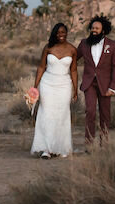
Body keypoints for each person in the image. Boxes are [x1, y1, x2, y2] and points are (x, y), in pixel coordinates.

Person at [29, 22, 78, 158]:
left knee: (62, 114)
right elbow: (41, 67)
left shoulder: (72, 50)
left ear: (67, 33)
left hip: (64, 85)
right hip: (47, 83)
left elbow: (73, 70)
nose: (61, 35)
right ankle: (46, 149)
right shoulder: (48, 48)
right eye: (58, 33)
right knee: (47, 114)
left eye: (63, 32)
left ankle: (60, 147)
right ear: (54, 34)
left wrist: (75, 90)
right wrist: (35, 86)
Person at [76, 15, 115, 146]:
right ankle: (89, 143)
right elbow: (74, 58)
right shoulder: (84, 43)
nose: (94, 30)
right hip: (89, 83)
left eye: (97, 28)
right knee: (90, 111)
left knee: (105, 114)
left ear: (104, 30)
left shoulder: (112, 45)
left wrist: (113, 87)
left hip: (105, 85)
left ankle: (104, 142)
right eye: (92, 28)